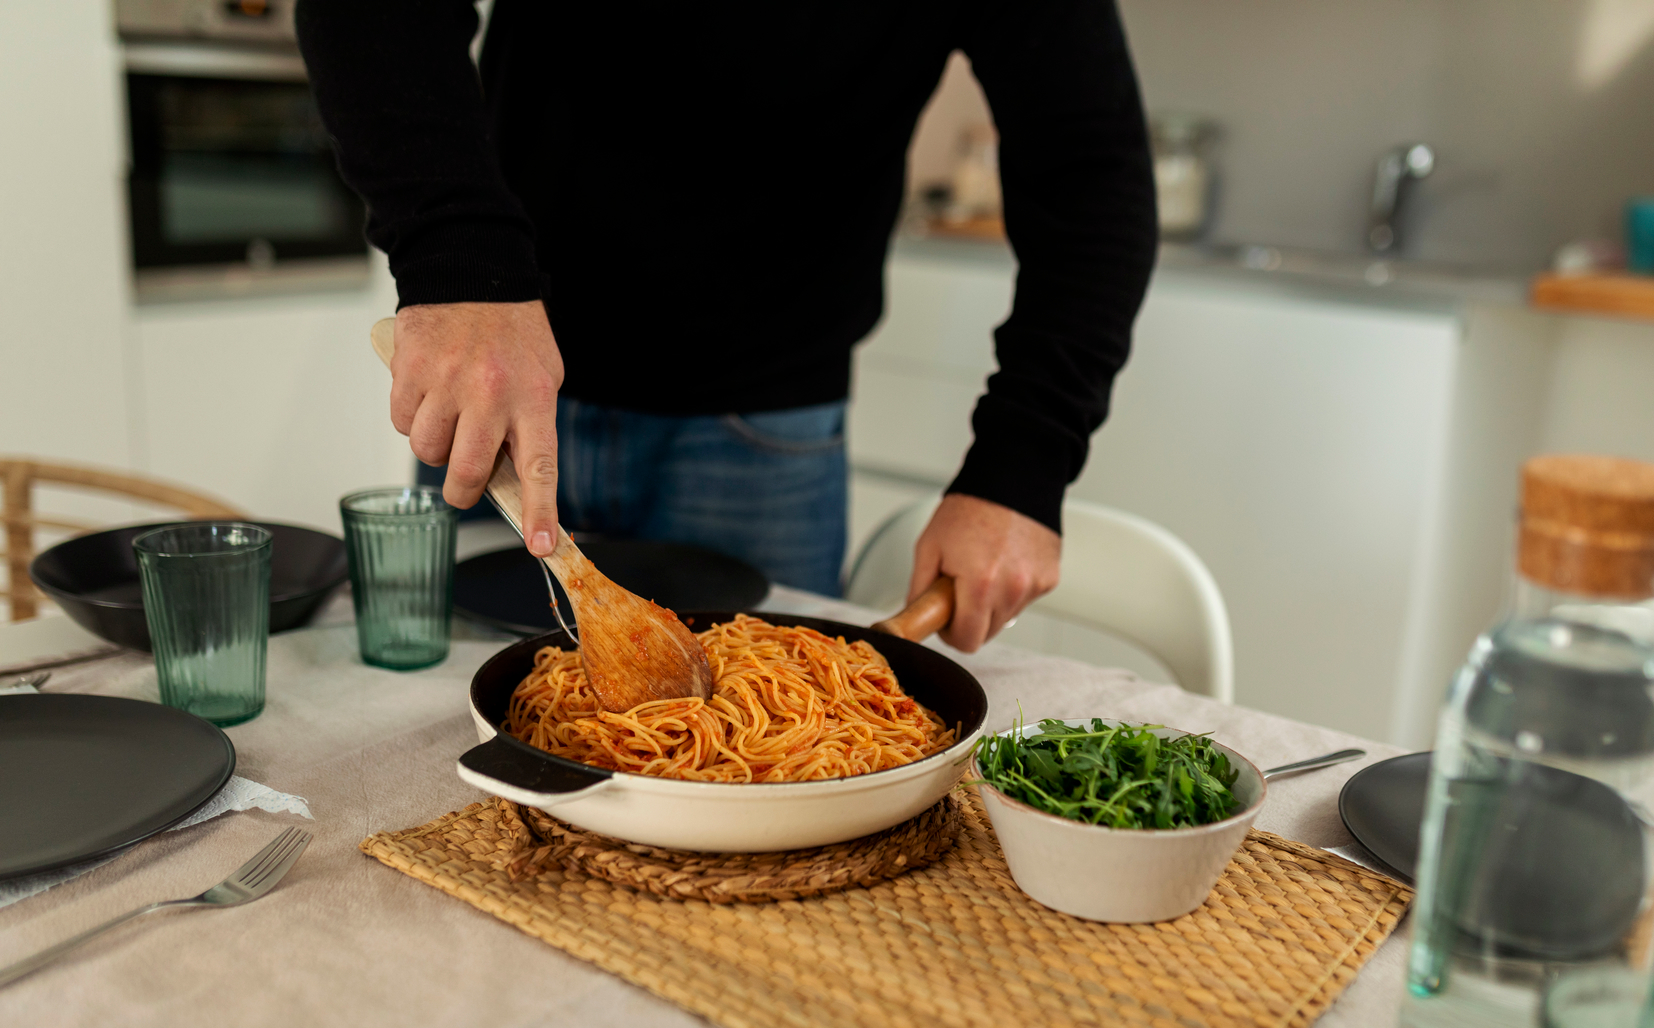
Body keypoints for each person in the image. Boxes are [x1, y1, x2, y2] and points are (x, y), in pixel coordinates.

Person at [296, 0, 1156, 652]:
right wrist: (458, 265)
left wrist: (1022, 465)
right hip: (495, 378)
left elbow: (1091, 168)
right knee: (435, 739)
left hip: (762, 434)